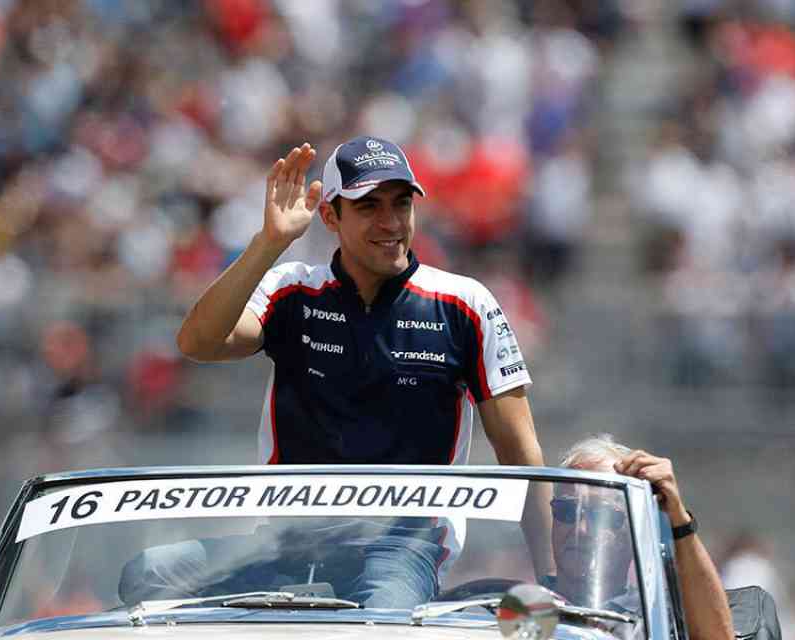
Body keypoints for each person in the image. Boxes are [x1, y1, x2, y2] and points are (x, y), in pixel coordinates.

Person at [174, 136, 553, 605]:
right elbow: (198, 343)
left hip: (402, 546)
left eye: (401, 203)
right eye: (369, 206)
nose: (390, 222)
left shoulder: (466, 304)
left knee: (378, 621)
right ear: (330, 216)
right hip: (286, 541)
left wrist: (551, 577)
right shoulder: (291, 288)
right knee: (148, 575)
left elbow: (521, 453)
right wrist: (269, 243)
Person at [552, 435, 733, 640]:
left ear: (635, 530)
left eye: (603, 515)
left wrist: (678, 518)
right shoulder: (525, 601)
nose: (581, 529)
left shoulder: (658, 615)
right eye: (566, 511)